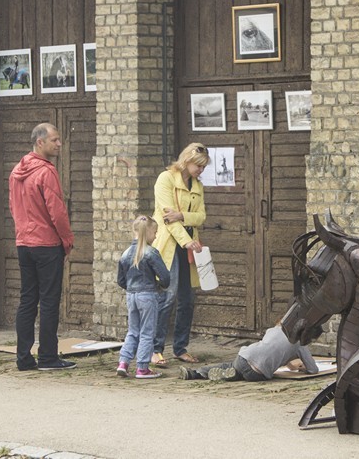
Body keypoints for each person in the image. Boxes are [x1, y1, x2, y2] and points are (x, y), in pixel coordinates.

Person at [9, 123, 75, 371]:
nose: (59, 144)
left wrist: (22, 231)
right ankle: (48, 357)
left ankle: (24, 359)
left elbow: (13, 207)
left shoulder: (17, 171)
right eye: (55, 140)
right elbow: (57, 212)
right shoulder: (46, 172)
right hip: (46, 244)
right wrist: (67, 240)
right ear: (40, 142)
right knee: (48, 301)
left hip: (24, 243)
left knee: (27, 300)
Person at [151, 143, 211, 367]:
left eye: (204, 167)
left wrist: (183, 215)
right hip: (170, 244)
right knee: (168, 296)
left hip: (190, 245)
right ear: (186, 160)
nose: (201, 171)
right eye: (198, 166)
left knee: (188, 299)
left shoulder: (197, 185)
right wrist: (186, 240)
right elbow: (167, 218)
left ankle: (180, 348)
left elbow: (201, 216)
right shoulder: (165, 179)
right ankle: (154, 349)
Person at [116, 216, 171, 379]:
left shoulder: (126, 253)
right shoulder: (151, 252)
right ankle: (142, 368)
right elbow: (165, 277)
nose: (155, 236)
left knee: (133, 331)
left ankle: (123, 363)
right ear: (147, 232)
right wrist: (159, 286)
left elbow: (120, 280)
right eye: (155, 232)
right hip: (148, 296)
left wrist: (132, 289)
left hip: (131, 296)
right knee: (147, 332)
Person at [179, 323, 320, 382]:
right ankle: (231, 376)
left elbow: (273, 348)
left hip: (245, 357)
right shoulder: (301, 345)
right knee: (245, 374)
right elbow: (313, 370)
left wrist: (291, 365)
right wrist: (302, 367)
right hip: (258, 373)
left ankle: (195, 373)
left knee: (229, 366)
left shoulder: (277, 329)